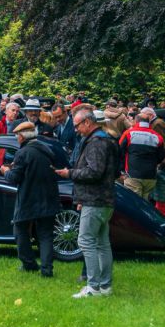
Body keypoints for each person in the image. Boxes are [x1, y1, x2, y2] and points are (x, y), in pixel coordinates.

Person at [57, 105, 119, 298]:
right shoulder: (105, 139)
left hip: (96, 199)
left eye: (77, 125)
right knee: (101, 243)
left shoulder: (97, 142)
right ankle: (105, 286)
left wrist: (70, 173)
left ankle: (93, 287)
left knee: (85, 241)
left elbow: (94, 171)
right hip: (103, 199)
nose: (75, 129)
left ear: (87, 122)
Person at [0, 121, 60, 277]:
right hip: (48, 196)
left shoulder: (23, 153)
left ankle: (29, 264)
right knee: (45, 234)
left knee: (20, 230)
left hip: (28, 198)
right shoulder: (47, 149)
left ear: (22, 136)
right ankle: (47, 270)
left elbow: (14, 178)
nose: (16, 138)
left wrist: (5, 170)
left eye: (17, 135)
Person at [118, 108, 165, 201]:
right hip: (150, 176)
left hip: (132, 175)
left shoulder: (129, 133)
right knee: (146, 205)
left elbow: (119, 152)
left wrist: (121, 171)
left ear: (136, 121)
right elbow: (161, 157)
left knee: (134, 204)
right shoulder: (157, 137)